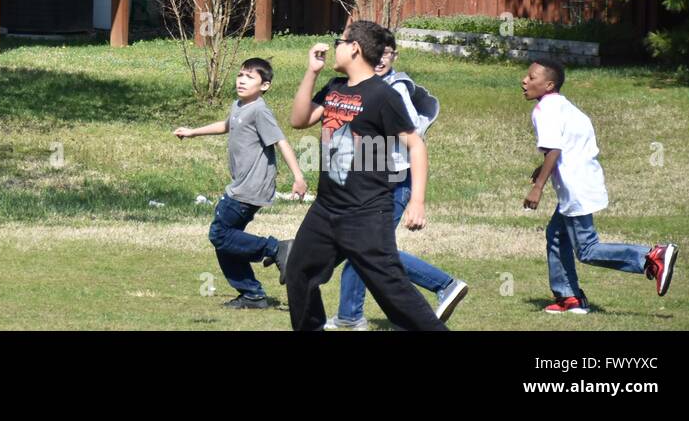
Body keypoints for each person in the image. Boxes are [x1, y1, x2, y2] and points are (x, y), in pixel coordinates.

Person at [284, 20, 447, 331]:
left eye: (340, 42)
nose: (335, 47)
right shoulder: (334, 87)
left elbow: (416, 144)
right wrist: (312, 72)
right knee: (299, 271)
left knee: (391, 290)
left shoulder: (382, 96)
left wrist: (418, 201)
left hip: (366, 211)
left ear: (355, 48)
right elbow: (298, 119)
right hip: (326, 209)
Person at [326, 34, 469, 328]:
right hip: (368, 179)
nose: (380, 59)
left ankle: (353, 314)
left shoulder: (396, 88)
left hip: (393, 180)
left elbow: (413, 134)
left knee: (368, 248)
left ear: (394, 57)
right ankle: (440, 288)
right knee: (368, 248)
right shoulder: (364, 85)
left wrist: (417, 200)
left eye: (387, 53)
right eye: (376, 52)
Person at [521, 58, 677, 314]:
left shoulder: (544, 110)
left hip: (575, 187)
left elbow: (555, 150)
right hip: (585, 179)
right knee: (557, 236)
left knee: (587, 249)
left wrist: (538, 186)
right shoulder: (564, 106)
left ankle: (650, 257)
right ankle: (569, 297)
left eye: (532, 77)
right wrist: (543, 169)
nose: (524, 81)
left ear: (548, 85)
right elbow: (564, 144)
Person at [174, 58, 308, 310]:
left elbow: (281, 142)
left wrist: (298, 176)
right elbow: (227, 125)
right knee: (227, 242)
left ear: (265, 85)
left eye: (249, 77)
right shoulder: (240, 106)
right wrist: (193, 132)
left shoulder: (259, 110)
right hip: (242, 184)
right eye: (240, 75)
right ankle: (251, 294)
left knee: (220, 234)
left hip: (249, 188)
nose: (241, 80)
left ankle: (277, 248)